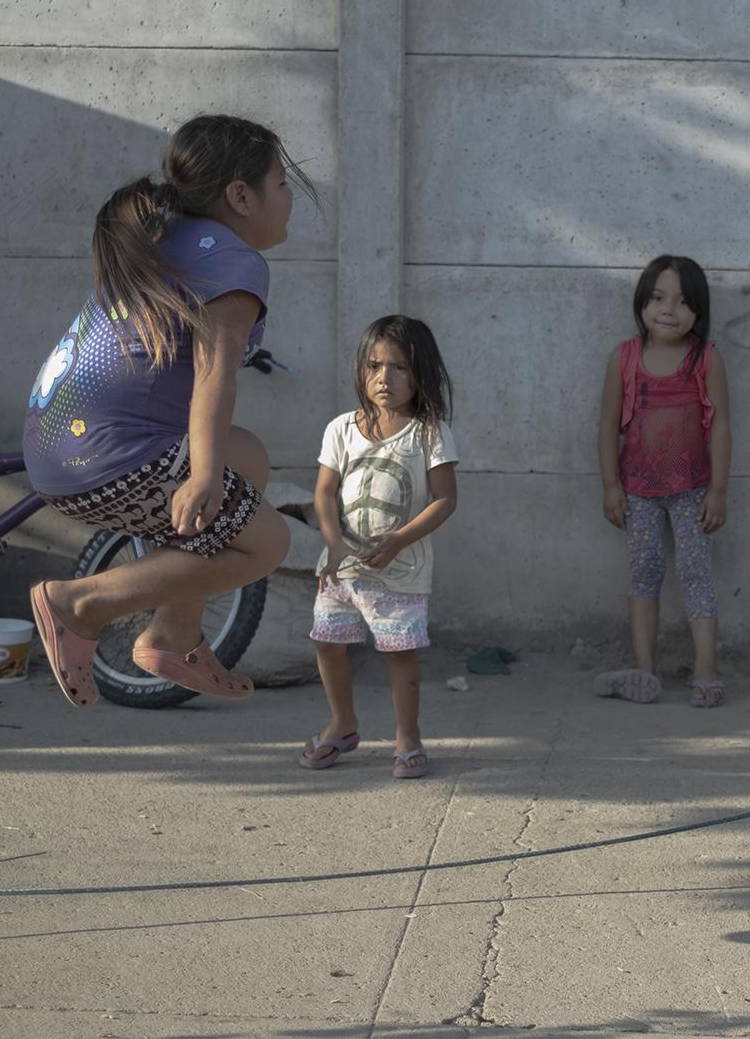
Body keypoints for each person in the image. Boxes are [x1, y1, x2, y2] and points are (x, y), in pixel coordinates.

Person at [23, 115, 307, 707]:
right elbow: (213, 375)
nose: (289, 198)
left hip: (56, 450)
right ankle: (77, 603)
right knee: (266, 544)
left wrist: (213, 465)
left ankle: (172, 636)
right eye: (281, 184)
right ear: (239, 195)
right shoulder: (236, 265)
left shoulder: (162, 233)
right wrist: (202, 475)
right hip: (112, 458)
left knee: (246, 455)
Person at [303, 316, 459, 779]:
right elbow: (324, 494)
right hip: (342, 567)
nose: (383, 378)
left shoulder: (429, 432)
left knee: (399, 654)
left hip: (400, 569)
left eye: (399, 368)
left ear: (421, 374)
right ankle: (342, 723)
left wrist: (399, 540)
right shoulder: (341, 429)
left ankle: (407, 736)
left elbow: (446, 499)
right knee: (327, 643)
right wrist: (332, 545)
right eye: (374, 366)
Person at [594, 256, 733, 707]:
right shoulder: (624, 357)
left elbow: (722, 426)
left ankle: (707, 670)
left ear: (699, 312)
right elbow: (607, 424)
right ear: (642, 302)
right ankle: (643, 669)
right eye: (657, 298)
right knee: (645, 573)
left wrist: (718, 490)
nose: (668, 310)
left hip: (693, 490)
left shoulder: (706, 360)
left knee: (696, 576)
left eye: (681, 301)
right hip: (638, 492)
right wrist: (610, 486)